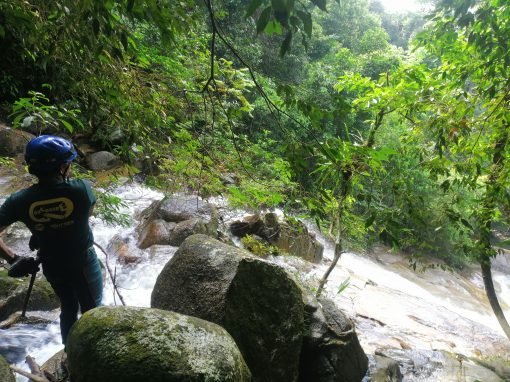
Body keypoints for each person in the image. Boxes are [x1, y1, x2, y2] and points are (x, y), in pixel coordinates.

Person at [0, 135, 102, 346]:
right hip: (83, 263)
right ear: (63, 167)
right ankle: (93, 356)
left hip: (53, 265)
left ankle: (68, 353)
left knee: (68, 307)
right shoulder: (80, 190)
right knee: (94, 311)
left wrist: (12, 258)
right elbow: (85, 216)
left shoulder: (19, 201)